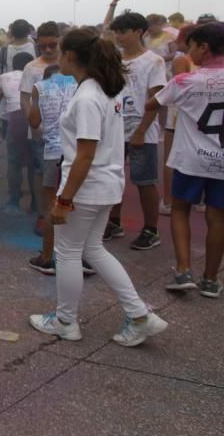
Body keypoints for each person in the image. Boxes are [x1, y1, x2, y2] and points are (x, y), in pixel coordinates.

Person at [29, 29, 168, 347]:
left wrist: (64, 200)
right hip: (105, 184)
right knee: (92, 249)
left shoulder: (89, 96)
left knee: (66, 253)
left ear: (72, 57)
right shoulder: (105, 90)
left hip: (87, 187)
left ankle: (66, 321)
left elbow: (85, 154)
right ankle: (139, 315)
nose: (58, 57)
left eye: (61, 51)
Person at [147, 22, 224, 297]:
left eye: (191, 46)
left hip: (191, 159)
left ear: (204, 48)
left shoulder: (185, 81)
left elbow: (153, 103)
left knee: (180, 210)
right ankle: (211, 280)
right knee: (218, 218)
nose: (188, 52)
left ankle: (183, 271)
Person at [105, 11, 166, 249]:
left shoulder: (153, 61)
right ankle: (113, 222)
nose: (118, 37)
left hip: (142, 131)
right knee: (114, 177)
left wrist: (141, 130)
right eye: (116, 32)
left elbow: (156, 98)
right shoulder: (114, 60)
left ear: (139, 32)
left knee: (144, 181)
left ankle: (151, 230)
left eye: (123, 32)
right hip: (115, 130)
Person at [26, 64, 83, 275]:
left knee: (52, 204)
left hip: (53, 152)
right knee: (77, 204)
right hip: (79, 151)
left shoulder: (40, 87)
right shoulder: (80, 85)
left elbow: (33, 120)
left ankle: (47, 257)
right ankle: (81, 258)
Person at [20, 22, 63, 231]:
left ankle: (63, 212)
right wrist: (34, 126)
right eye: (43, 46)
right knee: (40, 173)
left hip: (67, 132)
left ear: (59, 41)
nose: (47, 50)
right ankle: (42, 213)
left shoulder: (69, 64)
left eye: (52, 45)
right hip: (40, 133)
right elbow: (25, 99)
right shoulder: (32, 68)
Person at [159, 26, 197, 216]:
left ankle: (168, 201)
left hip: (178, 117)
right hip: (198, 118)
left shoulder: (181, 60)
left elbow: (176, 90)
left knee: (171, 160)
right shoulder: (213, 65)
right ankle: (198, 200)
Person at [0, 52, 35, 215]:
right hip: (35, 116)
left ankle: (14, 201)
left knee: (14, 164)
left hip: (14, 119)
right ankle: (36, 202)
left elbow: (1, 100)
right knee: (35, 163)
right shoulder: (37, 74)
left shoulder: (4, 77)